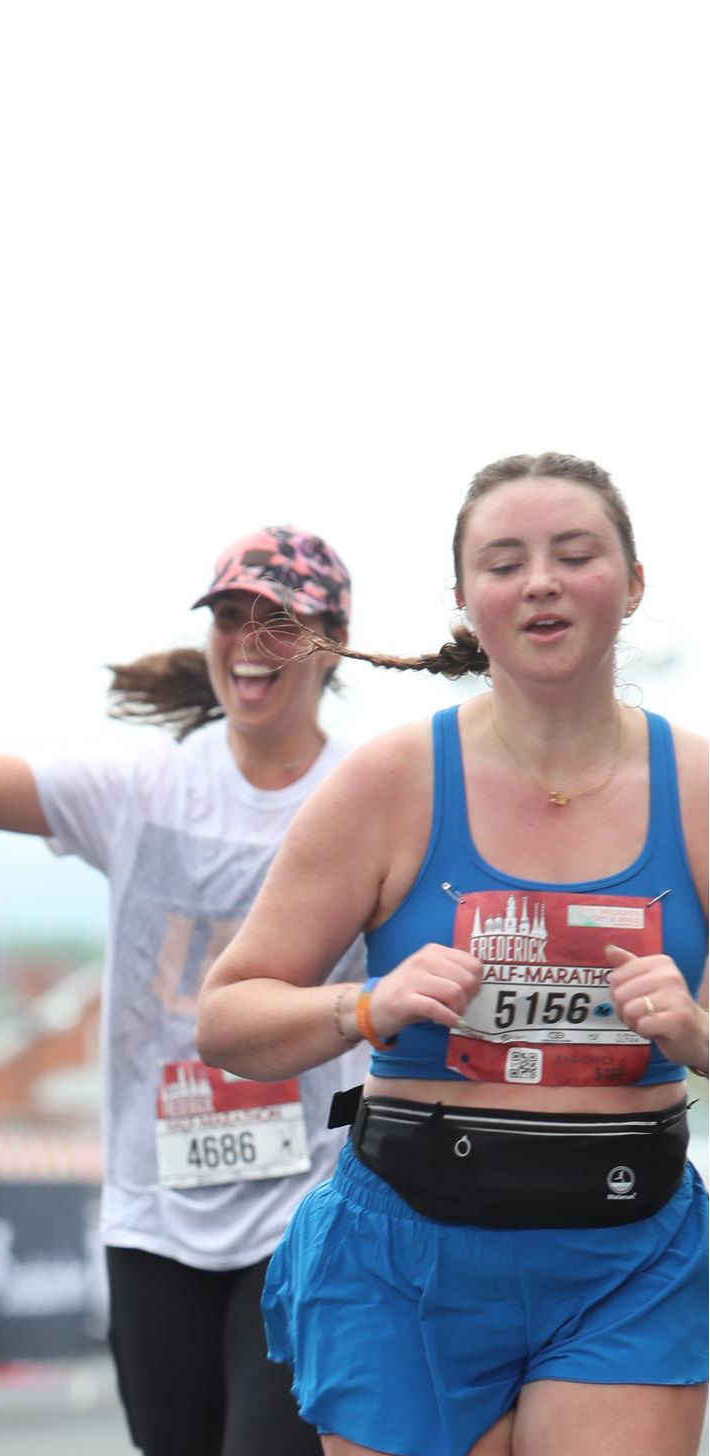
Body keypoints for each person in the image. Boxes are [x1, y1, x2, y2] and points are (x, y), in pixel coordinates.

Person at [196, 453, 709, 1456]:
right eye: (504, 563)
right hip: (402, 1258)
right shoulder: (388, 781)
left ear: (632, 582)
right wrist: (363, 1005)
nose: (540, 582)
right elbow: (226, 1018)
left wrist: (695, 1032)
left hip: (626, 1255)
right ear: (466, 601)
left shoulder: (694, 787)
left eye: (574, 555)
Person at [0, 523, 368, 1455]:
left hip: (309, 1202)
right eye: (228, 616)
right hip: (154, 1207)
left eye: (277, 619)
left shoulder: (370, 793)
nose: (247, 640)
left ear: (331, 643)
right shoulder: (145, 787)